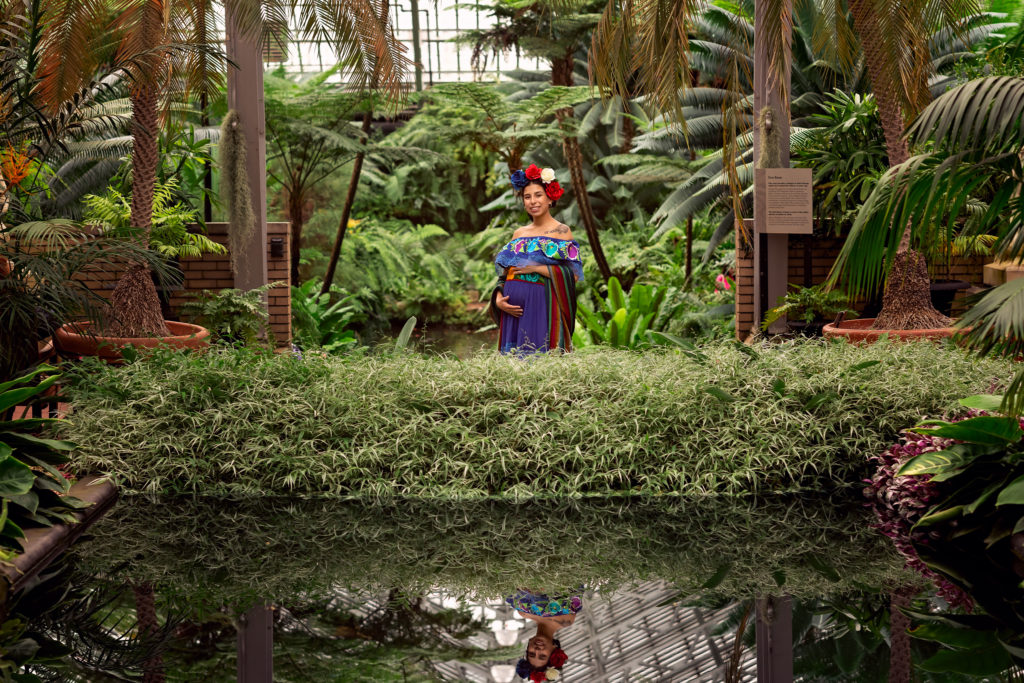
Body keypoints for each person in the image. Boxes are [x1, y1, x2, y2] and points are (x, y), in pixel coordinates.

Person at [490, 164, 583, 356]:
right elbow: (504, 276)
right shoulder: (519, 234)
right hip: (513, 312)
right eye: (527, 196)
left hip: (542, 308)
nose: (533, 201)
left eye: (538, 195)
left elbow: (572, 276)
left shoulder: (562, 232)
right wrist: (498, 300)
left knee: (540, 364)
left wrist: (536, 268)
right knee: (513, 369)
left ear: (550, 197)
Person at [506, 587, 583, 681]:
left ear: (529, 643)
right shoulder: (566, 619)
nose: (537, 650)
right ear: (554, 649)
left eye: (531, 653)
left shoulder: (522, 612)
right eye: (542, 656)